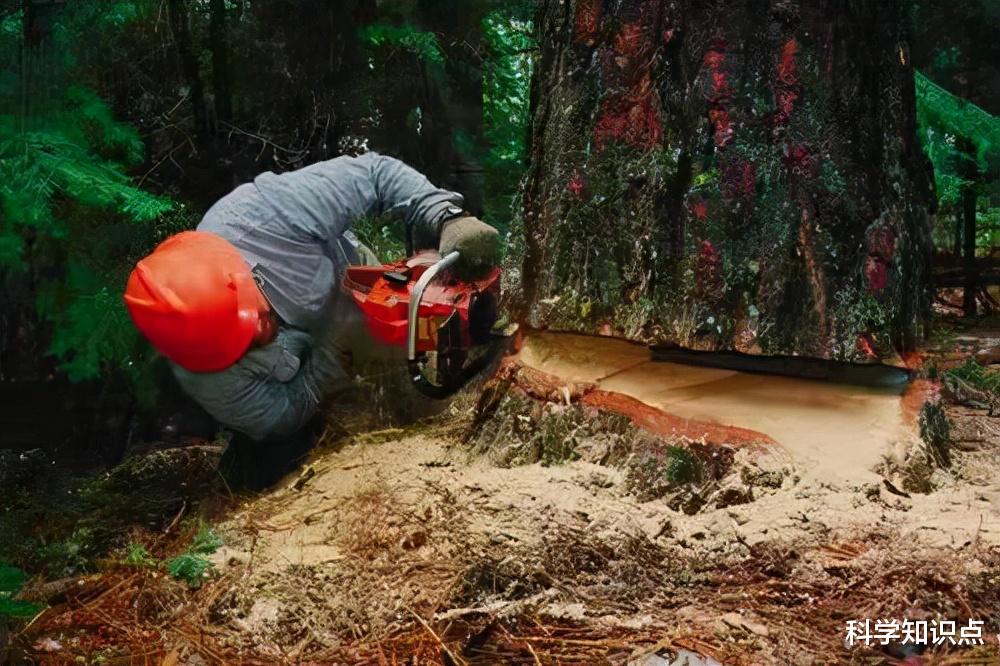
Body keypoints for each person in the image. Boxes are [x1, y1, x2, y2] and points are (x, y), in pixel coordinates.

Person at [124, 152, 498, 442]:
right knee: (272, 457)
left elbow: (373, 174)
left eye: (250, 316)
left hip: (363, 287)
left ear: (237, 273)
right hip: (317, 376)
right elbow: (278, 418)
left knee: (434, 319)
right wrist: (333, 355)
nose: (257, 332)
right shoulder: (204, 375)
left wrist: (446, 216)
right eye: (239, 342)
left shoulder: (260, 216)